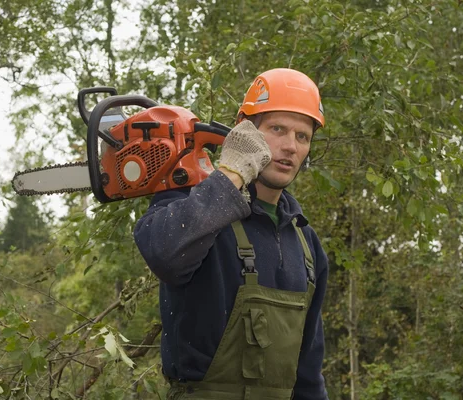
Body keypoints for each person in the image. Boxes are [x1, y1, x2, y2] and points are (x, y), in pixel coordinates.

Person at [134, 68, 329, 400]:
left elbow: (308, 374)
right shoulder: (193, 206)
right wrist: (231, 174)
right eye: (278, 129)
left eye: (302, 136)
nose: (290, 147)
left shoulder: (305, 243)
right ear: (245, 130)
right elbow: (165, 253)